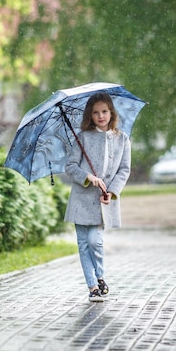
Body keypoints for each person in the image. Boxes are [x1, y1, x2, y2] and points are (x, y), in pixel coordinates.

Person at [64, 92, 132, 302]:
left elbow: (124, 169)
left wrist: (111, 192)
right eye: (95, 113)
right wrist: (88, 177)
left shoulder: (122, 139)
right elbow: (70, 166)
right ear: (90, 115)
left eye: (104, 111)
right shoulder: (82, 137)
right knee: (84, 244)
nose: (101, 116)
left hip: (102, 201)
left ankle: (100, 275)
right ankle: (93, 286)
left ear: (111, 112)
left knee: (95, 241)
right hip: (80, 199)